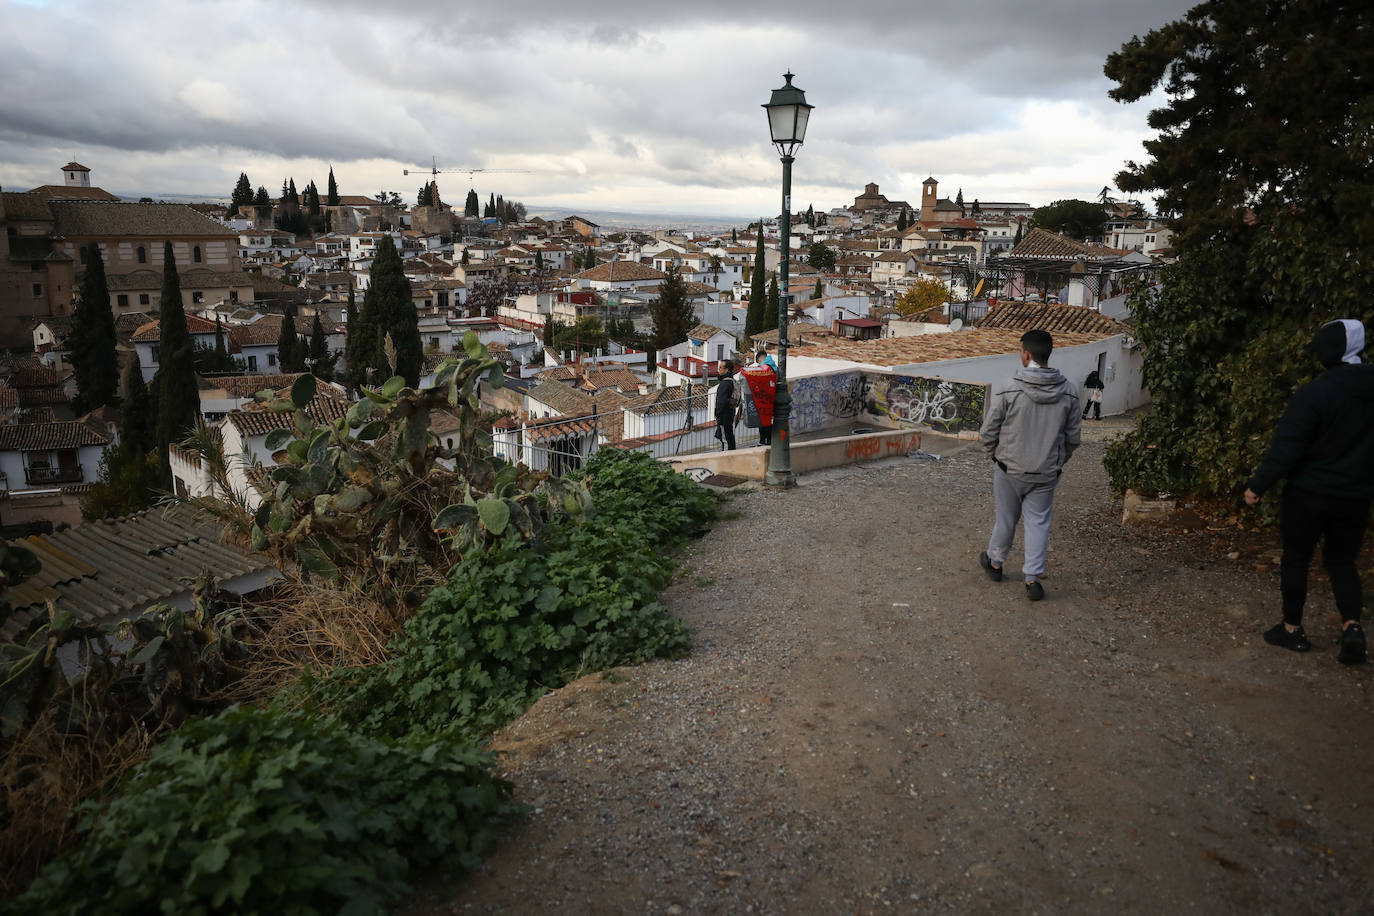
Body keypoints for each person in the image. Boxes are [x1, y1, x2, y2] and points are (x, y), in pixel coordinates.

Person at [1243, 319, 1374, 665]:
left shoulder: (1315, 393)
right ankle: (1352, 627)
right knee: (1343, 561)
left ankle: (1292, 629)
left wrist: (1259, 484)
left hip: (1308, 493)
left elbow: (1288, 445)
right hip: (1355, 495)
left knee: (1297, 558)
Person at [978, 329, 1082, 601]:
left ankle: (995, 563)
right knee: (1038, 523)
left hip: (1009, 468)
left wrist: (994, 455)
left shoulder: (1008, 387)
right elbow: (1073, 438)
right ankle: (1032, 578)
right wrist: (1056, 462)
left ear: (1026, 354)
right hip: (1046, 473)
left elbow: (989, 431)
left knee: (1006, 518)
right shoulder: (1069, 393)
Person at [714, 359, 739, 451]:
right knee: (729, 435)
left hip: (724, 415)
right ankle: (732, 453)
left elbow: (721, 401)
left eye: (720, 368)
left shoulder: (725, 383)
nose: (719, 370)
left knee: (725, 438)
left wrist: (717, 414)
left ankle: (727, 455)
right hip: (730, 413)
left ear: (727, 370)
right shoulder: (732, 381)